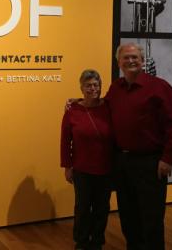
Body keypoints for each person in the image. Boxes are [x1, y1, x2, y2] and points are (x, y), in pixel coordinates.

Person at [105, 42, 172, 250]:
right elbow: (102, 111)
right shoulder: (115, 88)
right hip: (123, 162)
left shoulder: (159, 87)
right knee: (128, 217)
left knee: (151, 218)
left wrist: (167, 159)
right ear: (119, 62)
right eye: (126, 58)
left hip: (150, 163)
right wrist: (79, 102)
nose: (130, 61)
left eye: (135, 57)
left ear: (142, 60)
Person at [61, 69, 114, 250]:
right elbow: (65, 140)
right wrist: (67, 166)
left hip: (106, 168)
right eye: (88, 85)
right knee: (82, 208)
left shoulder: (108, 107)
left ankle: (97, 241)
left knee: (102, 208)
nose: (93, 88)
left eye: (96, 85)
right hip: (82, 168)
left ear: (100, 86)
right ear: (81, 88)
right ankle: (82, 242)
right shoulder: (72, 110)